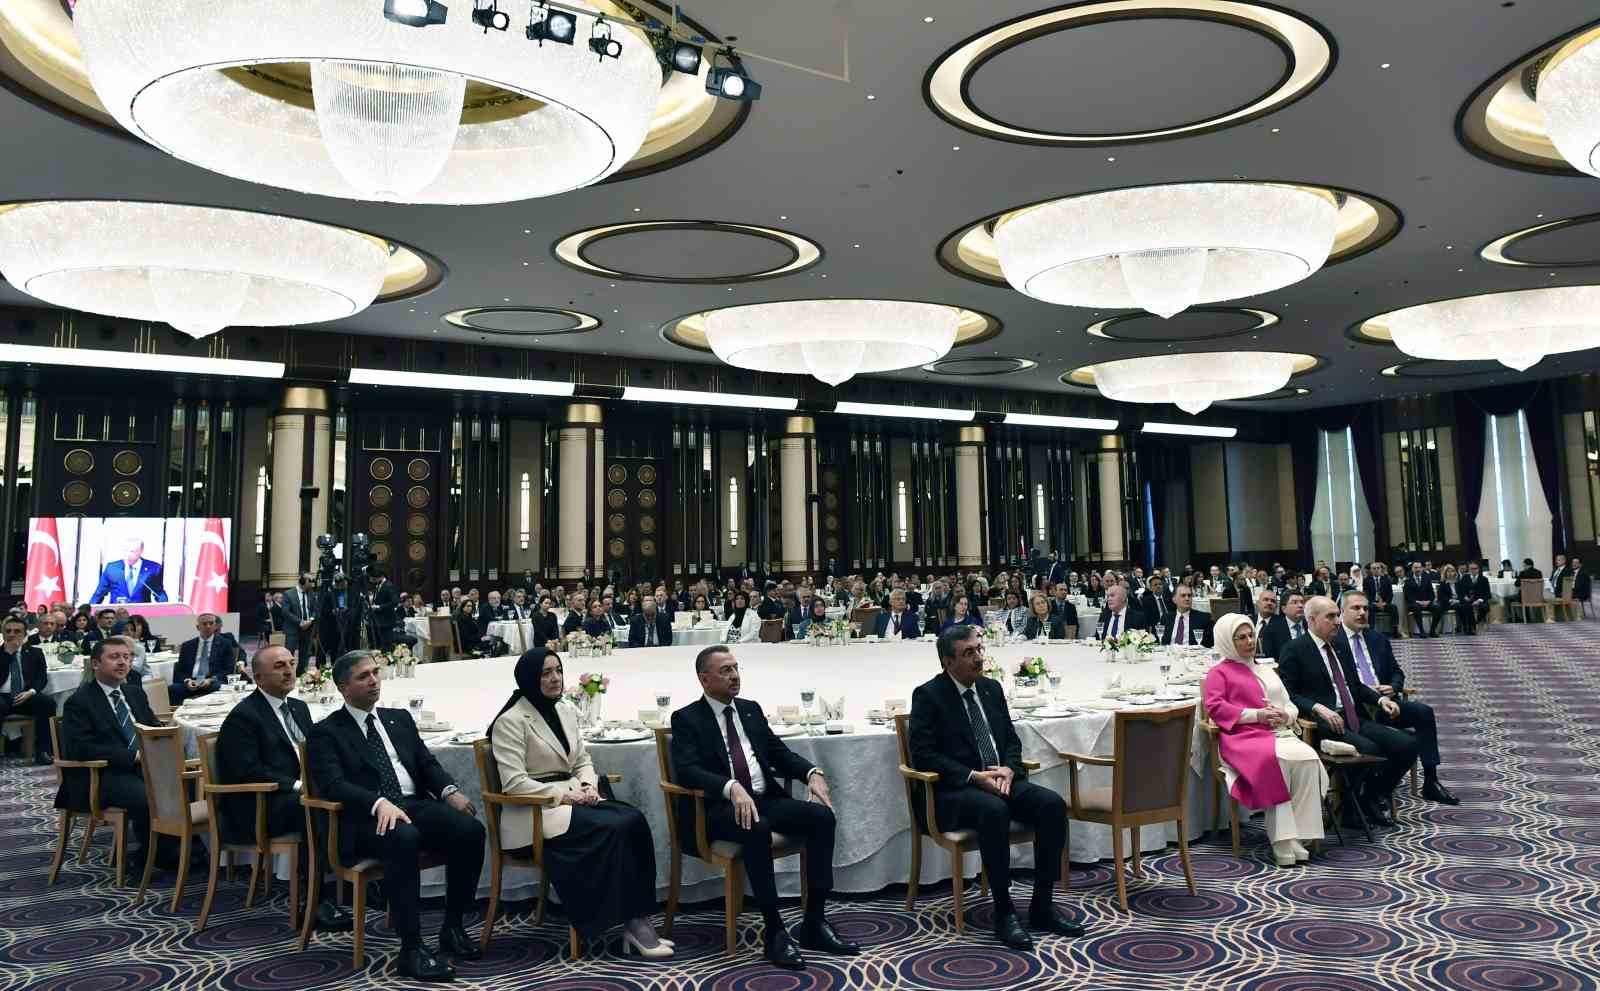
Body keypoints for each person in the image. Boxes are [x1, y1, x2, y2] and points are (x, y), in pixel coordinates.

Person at [669, 645, 858, 970]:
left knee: (821, 816)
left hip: (764, 799)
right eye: (725, 670)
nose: (734, 676)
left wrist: (812, 773)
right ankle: (774, 931)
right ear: (704, 679)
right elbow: (687, 770)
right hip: (717, 809)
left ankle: (814, 922)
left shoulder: (749, 709)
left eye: (736, 668)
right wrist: (731, 787)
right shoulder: (686, 718)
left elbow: (779, 753)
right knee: (756, 826)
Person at [305, 651, 486, 981]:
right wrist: (378, 803)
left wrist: (449, 791)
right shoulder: (326, 732)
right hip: (364, 819)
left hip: (412, 805)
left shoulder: (398, 718)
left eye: (375, 673)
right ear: (343, 687)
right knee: (404, 836)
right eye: (363, 676)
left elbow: (426, 763)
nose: (374, 681)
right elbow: (333, 785)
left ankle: (453, 927)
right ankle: (411, 949)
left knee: (470, 830)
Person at [908, 626, 1086, 949]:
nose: (978, 658)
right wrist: (973, 776)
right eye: (968, 653)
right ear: (948, 662)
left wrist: (1009, 768)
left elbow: (1011, 741)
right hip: (955, 790)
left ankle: (1042, 906)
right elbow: (923, 755)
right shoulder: (929, 695)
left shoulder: (991, 688)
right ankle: (1004, 913)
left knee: (1052, 805)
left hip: (1000, 779)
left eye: (979, 650)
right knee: (994, 810)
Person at [488, 650, 670, 956]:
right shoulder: (511, 721)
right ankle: (627, 923)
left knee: (633, 820)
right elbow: (514, 783)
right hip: (533, 812)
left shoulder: (565, 710)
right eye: (545, 673)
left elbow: (582, 760)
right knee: (613, 827)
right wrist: (563, 795)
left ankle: (637, 918)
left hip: (572, 800)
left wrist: (587, 785)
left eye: (558, 670)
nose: (555, 678)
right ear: (529, 678)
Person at [216, 646, 353, 932]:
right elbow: (247, 771)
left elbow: (315, 752)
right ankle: (314, 900)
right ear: (258, 677)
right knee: (312, 808)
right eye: (279, 666)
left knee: (352, 793)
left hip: (293, 794)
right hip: (259, 804)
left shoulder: (298, 707)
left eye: (291, 663)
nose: (289, 670)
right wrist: (299, 785)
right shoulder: (244, 717)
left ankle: (355, 881)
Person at [1277, 596, 1418, 827]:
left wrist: (1380, 699)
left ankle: (1368, 798)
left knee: (1408, 745)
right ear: (1312, 620)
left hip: (1354, 717)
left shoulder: (1340, 646)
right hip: (1322, 723)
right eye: (1330, 617)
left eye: (1337, 615)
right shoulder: (1295, 649)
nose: (1337, 621)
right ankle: (1351, 809)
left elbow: (1355, 686)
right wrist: (1317, 707)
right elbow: (1287, 694)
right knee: (1369, 749)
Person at [1203, 613, 1327, 866]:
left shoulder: (1267, 670)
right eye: (1241, 638)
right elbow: (1215, 707)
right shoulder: (1219, 673)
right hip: (1243, 739)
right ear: (1227, 641)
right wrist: (1256, 715)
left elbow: (1290, 704)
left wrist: (1287, 715)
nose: (1250, 641)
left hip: (1279, 732)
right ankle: (1282, 839)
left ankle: (1299, 835)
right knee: (1277, 761)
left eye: (1251, 635)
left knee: (1308, 758)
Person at [57, 637, 170, 865]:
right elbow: (81, 748)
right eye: (114, 657)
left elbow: (152, 726)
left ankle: (180, 849)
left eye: (127, 657)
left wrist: (165, 738)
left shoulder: (134, 693)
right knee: (150, 796)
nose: (122, 662)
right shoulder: (79, 701)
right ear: (95, 663)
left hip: (141, 768)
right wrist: (133, 756)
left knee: (185, 784)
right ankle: (150, 858)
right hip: (101, 775)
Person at [1338, 593, 1458, 805]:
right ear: (1342, 612)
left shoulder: (1377, 639)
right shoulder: (1335, 641)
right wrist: (1367, 691)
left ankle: (1431, 781)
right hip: (1357, 708)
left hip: (1386, 705)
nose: (1362, 613)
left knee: (1424, 712)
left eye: (1365, 608)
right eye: (1356, 608)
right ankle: (1375, 789)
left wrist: (1393, 687)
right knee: (1396, 742)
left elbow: (1396, 672)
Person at [0, 616, 53, 764]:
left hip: (25, 696)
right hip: (2, 696)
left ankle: (43, 751)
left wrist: (31, 692)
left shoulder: (35, 652)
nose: (12, 634)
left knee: (47, 703)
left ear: (24, 634)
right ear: (3, 633)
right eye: (8, 631)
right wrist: (7, 654)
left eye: (17, 631)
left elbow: (41, 678)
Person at [171, 613, 242, 706]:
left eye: (211, 623)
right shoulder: (187, 645)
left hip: (212, 681)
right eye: (204, 624)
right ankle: (178, 712)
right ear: (198, 627)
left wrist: (210, 680)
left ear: (215, 626)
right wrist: (187, 681)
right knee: (173, 689)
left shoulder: (225, 644)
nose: (208, 626)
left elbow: (228, 669)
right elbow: (180, 670)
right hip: (192, 680)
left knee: (218, 687)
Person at [90, 537, 168, 604]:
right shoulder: (112, 568)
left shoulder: (153, 568)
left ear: (141, 551)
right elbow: (99, 594)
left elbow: (159, 593)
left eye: (132, 551)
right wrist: (89, 611)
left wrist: (166, 609)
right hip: (117, 612)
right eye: (125, 550)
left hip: (141, 613)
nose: (128, 554)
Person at [282, 573, 318, 672]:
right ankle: (288, 673)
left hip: (308, 628)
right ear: (303, 581)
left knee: (306, 653)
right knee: (289, 652)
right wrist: (300, 622)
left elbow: (316, 610)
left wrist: (310, 620)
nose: (312, 584)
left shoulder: (311, 594)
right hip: (293, 628)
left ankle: (301, 673)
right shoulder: (288, 594)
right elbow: (285, 612)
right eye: (310, 581)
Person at [1161, 584, 1209, 648]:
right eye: (1183, 595)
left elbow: (1209, 645)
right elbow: (1162, 643)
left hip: (1192, 653)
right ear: (1174, 599)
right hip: (1169, 652)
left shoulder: (1203, 618)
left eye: (1189, 595)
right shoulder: (1166, 618)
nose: (1187, 598)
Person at [1404, 563, 1444, 638]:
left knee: (1438, 608)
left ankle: (1432, 630)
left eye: (1419, 567)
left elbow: (1431, 593)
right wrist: (1418, 602)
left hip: (1426, 602)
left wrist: (1428, 601)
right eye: (1416, 568)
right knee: (1416, 608)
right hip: (1414, 603)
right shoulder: (1408, 580)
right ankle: (1421, 631)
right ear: (1412, 569)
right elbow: (1408, 596)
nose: (1418, 569)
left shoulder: (1426, 578)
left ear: (1422, 568)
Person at [370, 568, 400, 649]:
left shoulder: (388, 586)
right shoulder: (379, 585)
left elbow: (395, 602)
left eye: (374, 579)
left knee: (387, 644)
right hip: (379, 620)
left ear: (381, 577)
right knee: (381, 643)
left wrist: (379, 607)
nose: (373, 581)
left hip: (386, 620)